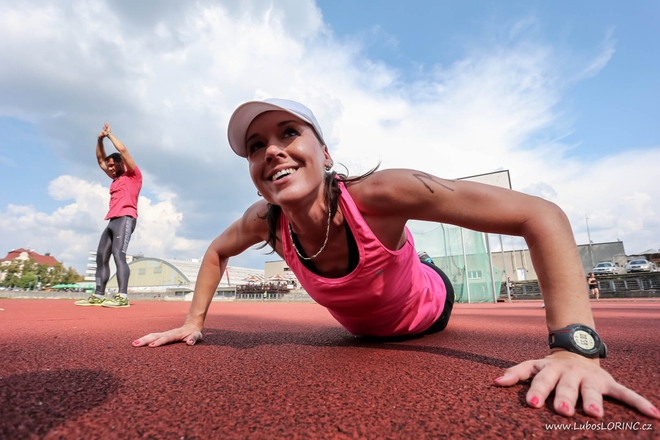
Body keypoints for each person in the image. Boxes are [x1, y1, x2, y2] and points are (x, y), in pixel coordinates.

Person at [134, 98, 659, 420]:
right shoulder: (264, 221)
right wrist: (193, 322)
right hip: (367, 326)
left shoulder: (381, 194)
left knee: (421, 273)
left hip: (429, 304)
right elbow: (216, 252)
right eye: (255, 146)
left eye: (289, 133)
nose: (271, 150)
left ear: (325, 155)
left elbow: (541, 215)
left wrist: (576, 349)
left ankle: (413, 258)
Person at [75, 123, 142, 308]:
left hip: (126, 218)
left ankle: (122, 296)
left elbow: (123, 150)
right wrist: (99, 140)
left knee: (118, 255)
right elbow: (100, 160)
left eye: (113, 165)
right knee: (101, 256)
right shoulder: (115, 179)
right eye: (109, 166)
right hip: (112, 221)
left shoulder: (133, 175)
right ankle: (98, 294)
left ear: (122, 163)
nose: (110, 168)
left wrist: (109, 135)